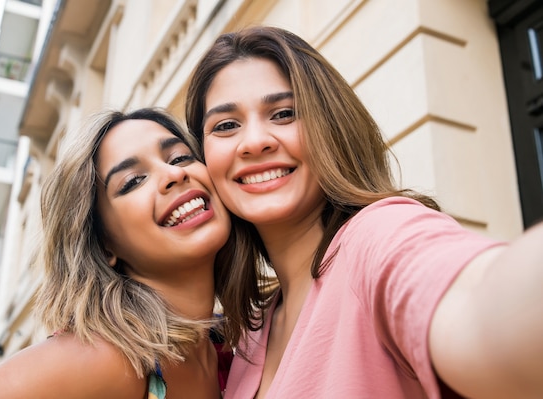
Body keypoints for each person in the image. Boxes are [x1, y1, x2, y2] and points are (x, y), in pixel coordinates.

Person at [185, 26, 543, 399]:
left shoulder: (380, 235)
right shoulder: (251, 331)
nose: (256, 142)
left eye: (284, 113)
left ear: (330, 127)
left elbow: (481, 304)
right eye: (226, 125)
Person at [0, 108, 233, 399]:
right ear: (103, 244)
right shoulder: (107, 358)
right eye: (133, 181)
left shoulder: (227, 347)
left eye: (179, 158)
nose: (173, 175)